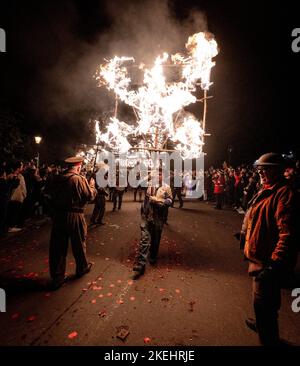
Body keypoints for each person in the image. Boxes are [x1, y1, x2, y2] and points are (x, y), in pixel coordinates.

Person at [241, 152, 298, 346]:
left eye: (267, 169)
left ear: (279, 171)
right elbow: (257, 218)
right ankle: (263, 326)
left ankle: (268, 339)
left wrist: (274, 265)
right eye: (260, 169)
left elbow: (287, 235)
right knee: (263, 306)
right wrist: (246, 235)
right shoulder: (268, 189)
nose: (261, 173)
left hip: (268, 264)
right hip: (259, 261)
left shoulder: (284, 194)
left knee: (265, 307)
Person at [48, 156, 96, 290]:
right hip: (75, 214)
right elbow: (89, 196)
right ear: (79, 166)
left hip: (59, 215)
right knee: (79, 243)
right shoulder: (78, 179)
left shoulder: (57, 178)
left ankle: (57, 277)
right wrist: (92, 186)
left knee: (58, 246)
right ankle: (81, 267)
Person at [132, 170, 172, 280]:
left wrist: (159, 200)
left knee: (155, 240)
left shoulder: (166, 187)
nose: (157, 176)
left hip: (158, 218)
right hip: (147, 216)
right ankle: (141, 264)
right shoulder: (149, 184)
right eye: (156, 174)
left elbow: (170, 201)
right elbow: (137, 184)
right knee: (144, 239)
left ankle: (153, 256)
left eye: (159, 174)